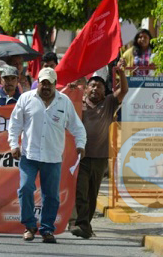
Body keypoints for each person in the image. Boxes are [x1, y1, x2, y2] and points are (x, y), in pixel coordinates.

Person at [8, 67, 87, 244]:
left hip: (52, 158)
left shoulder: (64, 102)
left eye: (49, 84)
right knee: (26, 188)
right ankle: (29, 226)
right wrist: (14, 144)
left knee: (51, 196)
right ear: (38, 82)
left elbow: (77, 127)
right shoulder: (26, 99)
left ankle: (47, 230)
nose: (45, 87)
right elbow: (14, 125)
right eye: (42, 83)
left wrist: (80, 145)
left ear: (54, 84)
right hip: (29, 155)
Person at [71, 62, 128, 239]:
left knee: (92, 193)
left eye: (99, 86)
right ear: (86, 89)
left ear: (105, 91)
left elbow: (124, 91)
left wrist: (121, 73)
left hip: (100, 157)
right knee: (80, 191)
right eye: (92, 85)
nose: (95, 89)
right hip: (81, 156)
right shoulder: (77, 103)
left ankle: (85, 225)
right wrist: (71, 87)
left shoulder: (109, 102)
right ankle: (81, 223)